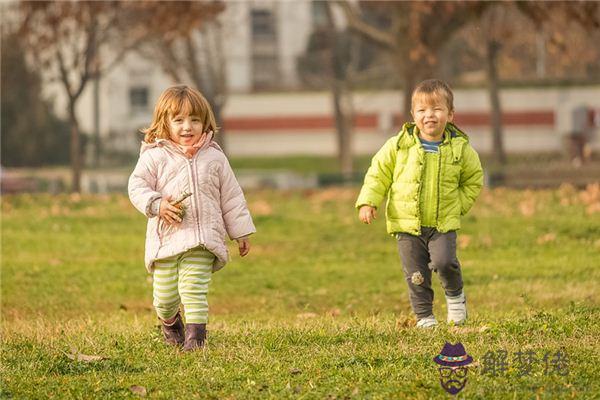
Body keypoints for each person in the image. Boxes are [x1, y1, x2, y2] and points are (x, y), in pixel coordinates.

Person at [128, 85, 256, 350]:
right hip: (167, 241)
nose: (187, 127)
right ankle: (171, 322)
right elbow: (136, 187)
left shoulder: (215, 158)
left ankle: (196, 339)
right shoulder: (154, 156)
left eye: (194, 120)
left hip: (202, 240)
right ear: (165, 123)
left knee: (193, 289)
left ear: (205, 122)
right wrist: (157, 204)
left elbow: (231, 196)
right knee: (164, 298)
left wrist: (240, 231)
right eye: (179, 120)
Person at [356, 79, 483, 328]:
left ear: (450, 114)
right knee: (416, 274)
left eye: (437, 109)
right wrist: (368, 201)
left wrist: (457, 206)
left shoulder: (460, 149)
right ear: (413, 115)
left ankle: (456, 299)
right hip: (406, 224)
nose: (430, 116)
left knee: (445, 263)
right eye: (422, 110)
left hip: (443, 223)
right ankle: (425, 316)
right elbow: (378, 173)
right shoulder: (399, 146)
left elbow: (474, 180)